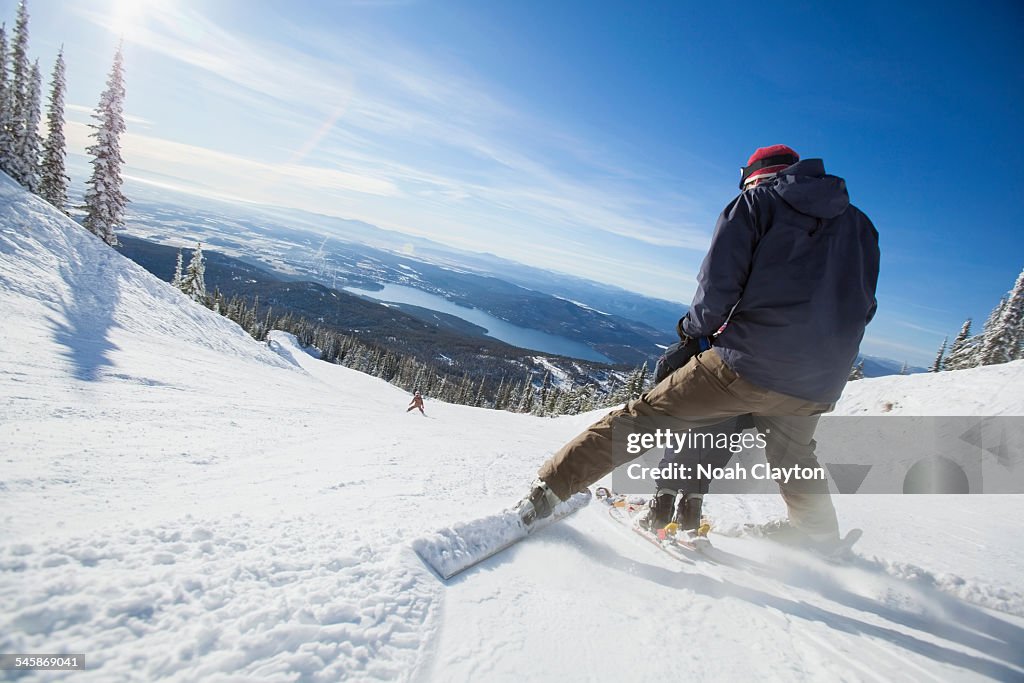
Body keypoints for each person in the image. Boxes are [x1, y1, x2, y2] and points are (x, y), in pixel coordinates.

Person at [515, 145, 880, 551]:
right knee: (794, 457)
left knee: (642, 419)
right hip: (819, 381)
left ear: (754, 176)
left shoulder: (755, 204)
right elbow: (864, 307)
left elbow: (716, 290)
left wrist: (692, 333)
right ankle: (821, 539)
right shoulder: (861, 226)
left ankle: (548, 490)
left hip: (749, 360)